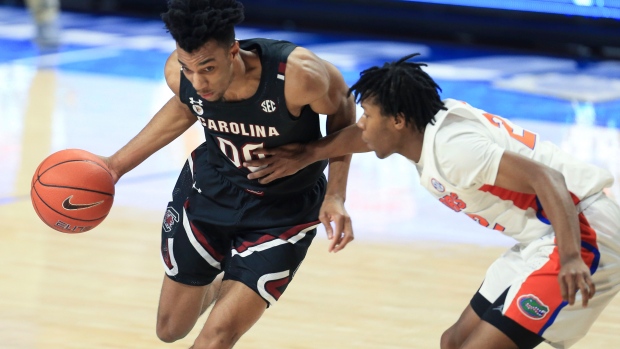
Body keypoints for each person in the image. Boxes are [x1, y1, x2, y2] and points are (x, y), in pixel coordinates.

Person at [243, 54, 620, 349]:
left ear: (398, 121)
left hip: (582, 234)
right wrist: (308, 153)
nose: (360, 125)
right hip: (544, 236)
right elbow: (361, 139)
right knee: (453, 343)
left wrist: (571, 256)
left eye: (367, 116)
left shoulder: (456, 151)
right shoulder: (424, 131)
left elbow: (546, 178)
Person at [99, 0, 356, 348]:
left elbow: (344, 112)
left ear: (233, 51)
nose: (198, 80)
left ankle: (242, 280)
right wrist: (115, 166)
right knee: (170, 329)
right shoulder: (181, 74)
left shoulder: (297, 75)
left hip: (283, 214)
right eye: (188, 69)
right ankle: (229, 278)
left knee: (217, 336)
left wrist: (329, 186)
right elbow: (187, 106)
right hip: (209, 192)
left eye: (207, 68)